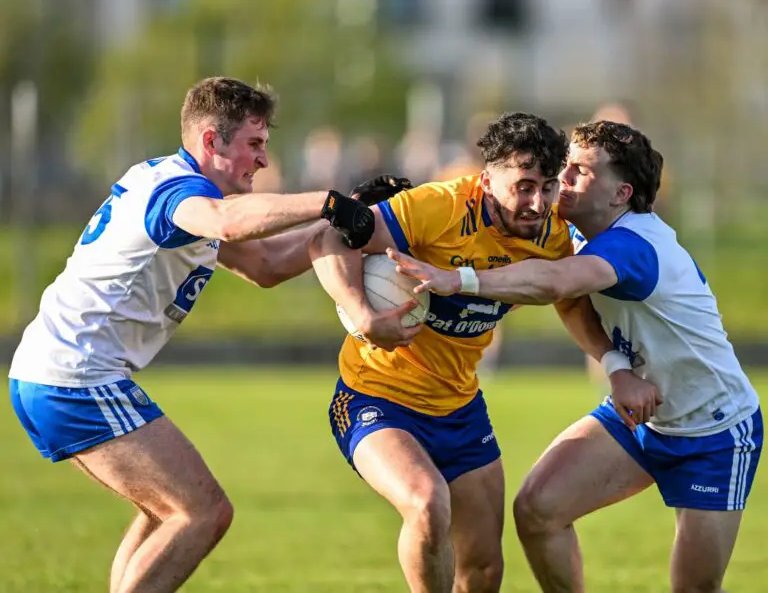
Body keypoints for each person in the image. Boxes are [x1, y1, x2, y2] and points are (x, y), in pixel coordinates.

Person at [7, 76, 379, 593]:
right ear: (211, 141)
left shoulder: (183, 195)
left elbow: (267, 263)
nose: (263, 161)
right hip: (76, 377)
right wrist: (328, 201)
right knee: (204, 512)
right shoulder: (180, 193)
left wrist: (355, 215)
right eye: (254, 144)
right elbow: (227, 222)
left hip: (60, 374)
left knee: (168, 513)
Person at [389, 120, 762, 592]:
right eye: (564, 168)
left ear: (620, 193)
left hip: (714, 431)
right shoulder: (571, 226)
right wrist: (387, 215)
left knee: (693, 588)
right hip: (637, 417)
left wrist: (458, 279)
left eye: (579, 172)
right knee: (538, 509)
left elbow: (556, 284)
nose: (560, 180)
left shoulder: (637, 246)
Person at [308, 113, 652, 593]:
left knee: (485, 570)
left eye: (548, 187)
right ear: (487, 179)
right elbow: (328, 238)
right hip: (375, 396)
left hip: (459, 409)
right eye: (524, 186)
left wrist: (614, 366)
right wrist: (362, 316)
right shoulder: (439, 208)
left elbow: (571, 305)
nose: (537, 203)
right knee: (426, 504)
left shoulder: (553, 232)